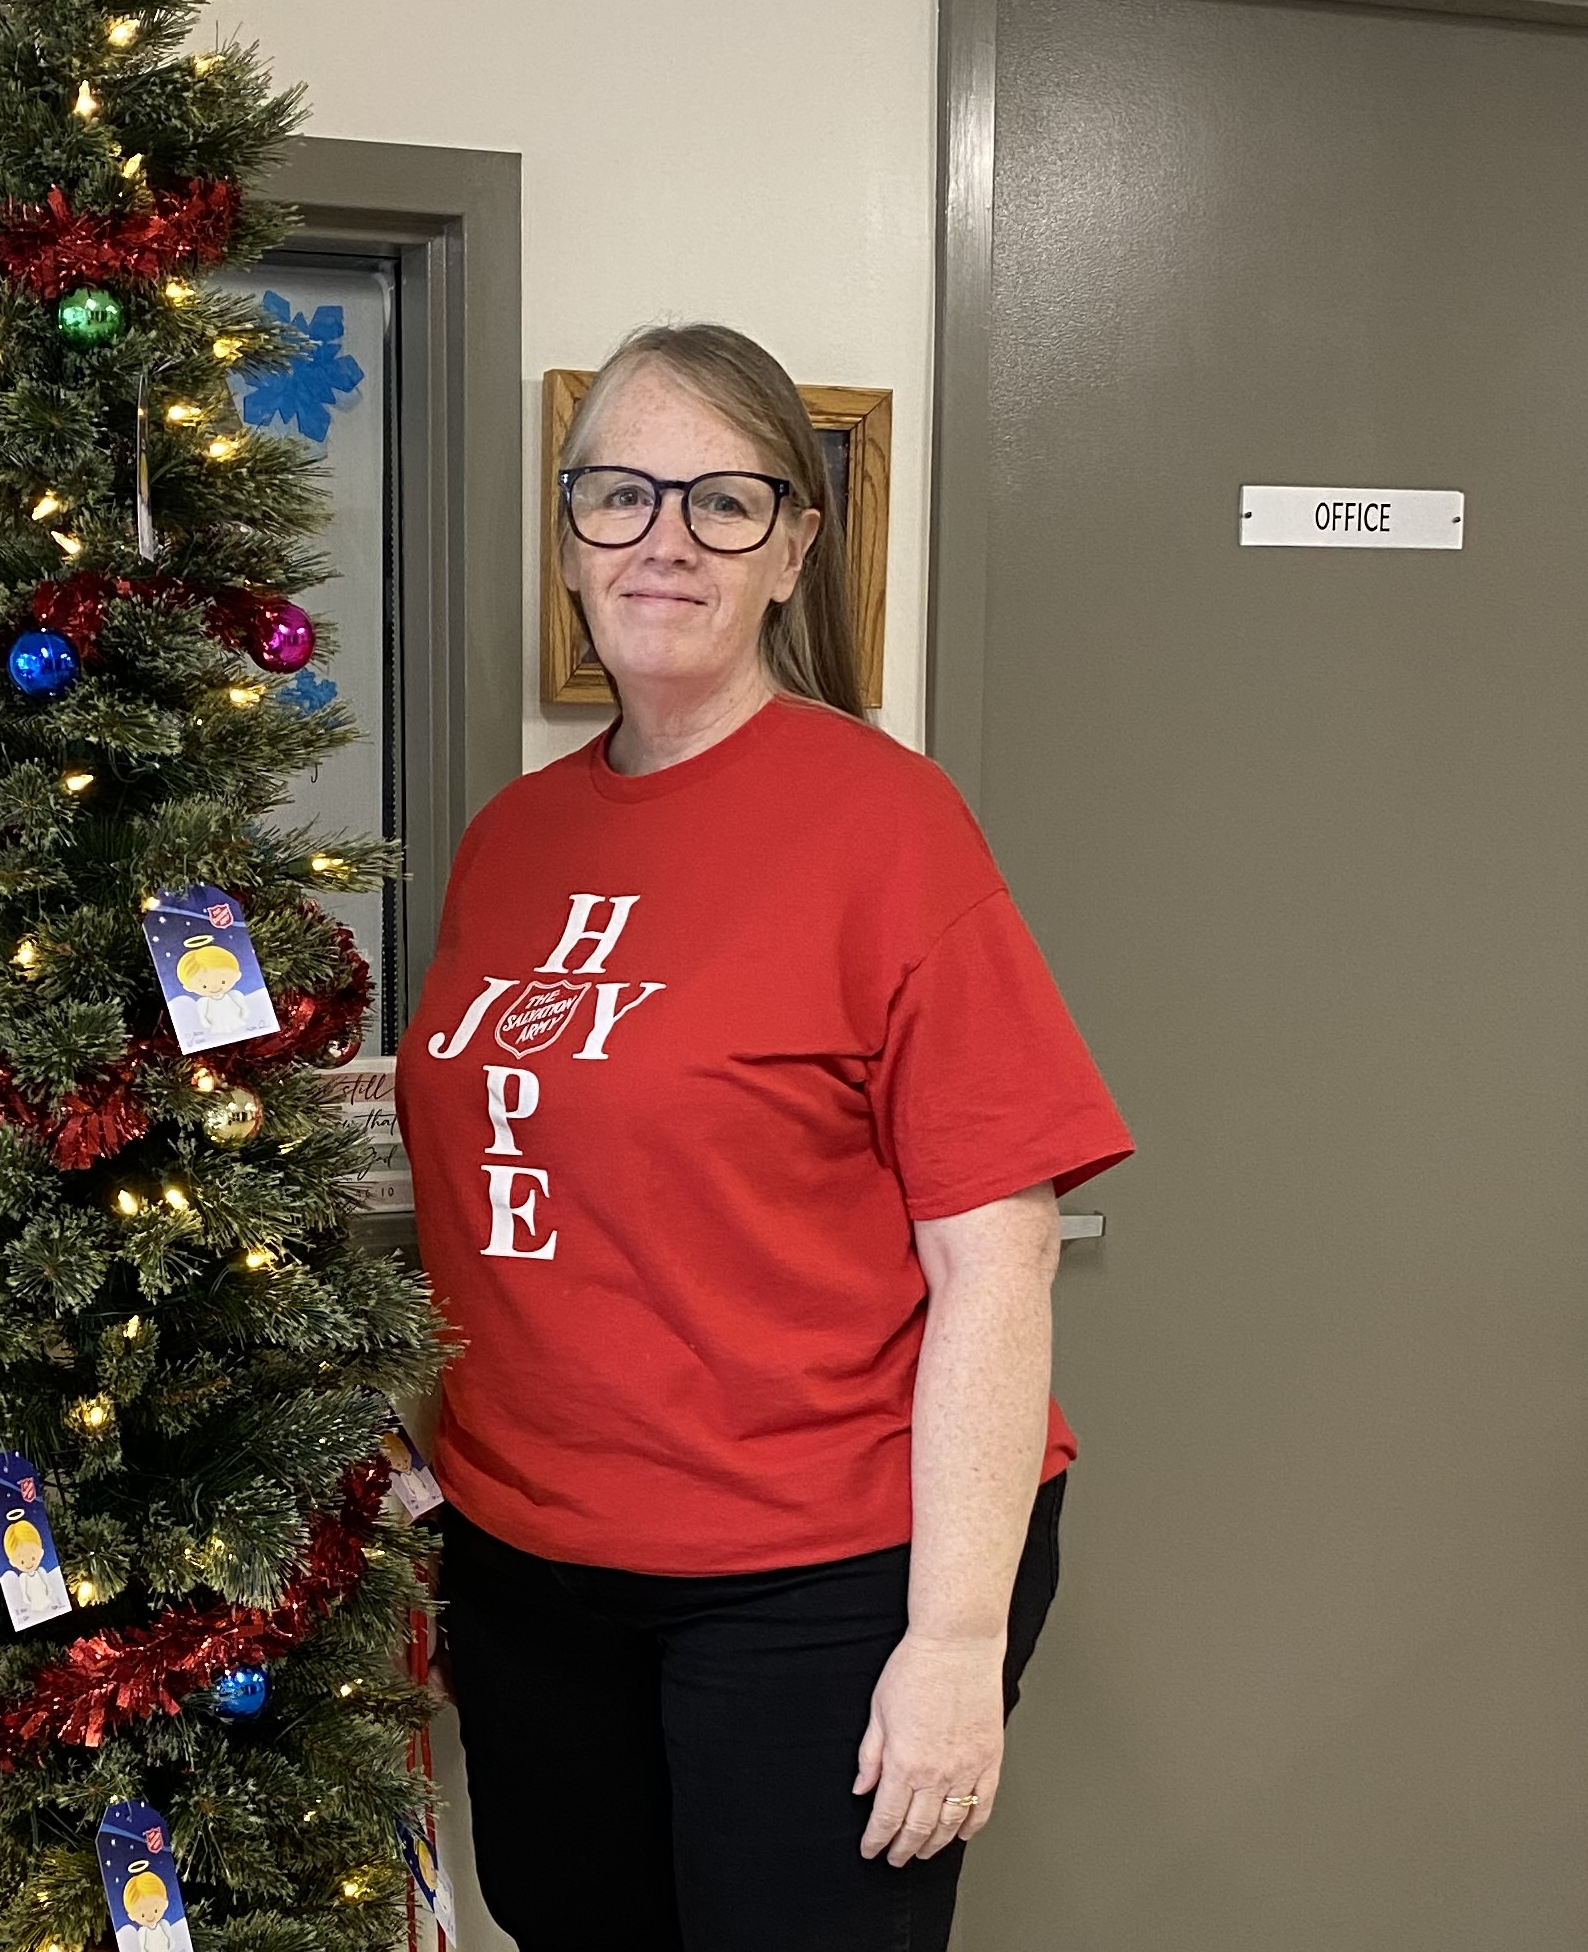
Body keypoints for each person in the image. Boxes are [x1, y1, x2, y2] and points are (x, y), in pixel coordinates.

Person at [397, 323, 1131, 1950]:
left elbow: (997, 1259)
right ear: (567, 528)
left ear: (793, 548)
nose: (663, 538)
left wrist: (952, 1640)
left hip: (820, 1575)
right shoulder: (509, 840)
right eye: (619, 494)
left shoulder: (883, 827)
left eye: (722, 501)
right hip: (530, 1565)